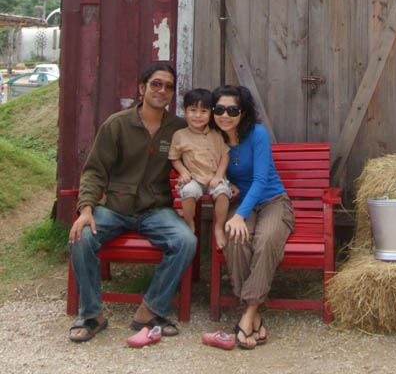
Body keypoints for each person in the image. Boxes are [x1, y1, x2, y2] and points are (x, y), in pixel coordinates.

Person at [67, 62, 197, 343]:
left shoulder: (178, 129)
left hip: (156, 210)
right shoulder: (117, 124)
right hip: (114, 208)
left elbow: (202, 154)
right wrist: (86, 209)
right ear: (142, 88)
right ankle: (91, 314)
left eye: (169, 87)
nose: (162, 90)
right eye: (156, 84)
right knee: (81, 237)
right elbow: (94, 171)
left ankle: (150, 310)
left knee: (186, 241)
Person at [208, 84, 294, 350]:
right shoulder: (214, 139)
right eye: (219, 109)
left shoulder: (257, 134)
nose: (225, 115)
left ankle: (247, 315)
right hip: (240, 202)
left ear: (243, 113)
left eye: (232, 110)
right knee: (236, 240)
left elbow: (260, 180)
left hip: (272, 201)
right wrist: (228, 187)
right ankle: (254, 315)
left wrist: (239, 216)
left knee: (265, 241)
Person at [169, 87, 233, 245]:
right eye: (193, 110)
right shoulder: (180, 135)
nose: (198, 116)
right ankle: (189, 223)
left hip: (213, 178)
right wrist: (183, 172)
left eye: (204, 111)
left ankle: (219, 227)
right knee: (188, 192)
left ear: (211, 113)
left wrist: (219, 175)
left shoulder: (216, 134)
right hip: (194, 178)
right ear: (185, 111)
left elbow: (225, 155)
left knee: (223, 193)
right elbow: (174, 158)